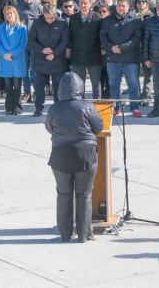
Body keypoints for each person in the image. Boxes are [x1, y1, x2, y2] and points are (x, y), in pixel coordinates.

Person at [45, 71, 103, 243]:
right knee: (84, 194)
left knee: (63, 194)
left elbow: (49, 128)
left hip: (61, 154)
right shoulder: (87, 106)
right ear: (80, 88)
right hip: (85, 154)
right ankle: (84, 235)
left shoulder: (54, 108)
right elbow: (98, 127)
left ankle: (65, 234)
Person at [99, 0, 142, 117]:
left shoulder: (136, 20)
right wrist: (110, 47)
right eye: (119, 6)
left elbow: (136, 39)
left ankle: (135, 107)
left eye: (124, 6)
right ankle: (116, 107)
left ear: (128, 7)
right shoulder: (107, 20)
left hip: (130, 59)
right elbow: (102, 35)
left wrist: (121, 48)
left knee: (133, 84)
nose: (121, 8)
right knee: (113, 85)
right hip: (112, 58)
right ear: (116, 6)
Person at [28, 3, 69, 117]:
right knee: (39, 86)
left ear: (55, 14)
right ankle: (38, 108)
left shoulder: (62, 23)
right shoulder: (37, 23)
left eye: (51, 17)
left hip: (57, 60)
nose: (49, 20)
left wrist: (54, 53)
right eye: (47, 18)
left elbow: (64, 41)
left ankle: (58, 110)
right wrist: (42, 50)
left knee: (57, 87)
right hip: (41, 60)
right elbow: (31, 41)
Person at [68, 0, 102, 99]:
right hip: (77, 56)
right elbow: (70, 36)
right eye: (81, 3)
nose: (84, 5)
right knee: (78, 85)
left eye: (86, 3)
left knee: (96, 84)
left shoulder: (97, 18)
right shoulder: (73, 19)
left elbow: (101, 36)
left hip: (94, 56)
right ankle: (80, 106)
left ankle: (97, 107)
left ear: (90, 4)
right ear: (78, 4)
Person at [0, 6, 27, 115]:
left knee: (17, 85)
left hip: (16, 59)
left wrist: (11, 54)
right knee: (8, 85)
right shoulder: (2, 27)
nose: (9, 16)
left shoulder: (22, 27)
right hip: (5, 60)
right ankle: (8, 106)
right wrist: (5, 54)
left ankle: (17, 107)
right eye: (7, 14)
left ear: (15, 14)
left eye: (11, 13)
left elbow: (23, 44)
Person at [16, 0, 43, 103]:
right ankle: (27, 93)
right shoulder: (17, 8)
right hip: (22, 44)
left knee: (35, 69)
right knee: (24, 69)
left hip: (35, 43)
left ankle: (37, 91)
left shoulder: (39, 8)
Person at [134, 0, 153, 105]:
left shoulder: (151, 17)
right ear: (135, 4)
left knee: (148, 75)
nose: (141, 4)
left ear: (147, 3)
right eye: (138, 2)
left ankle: (146, 97)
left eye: (143, 2)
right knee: (133, 76)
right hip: (134, 49)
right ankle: (136, 98)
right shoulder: (131, 16)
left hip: (147, 49)